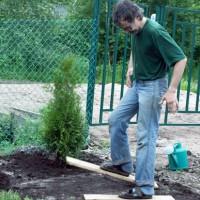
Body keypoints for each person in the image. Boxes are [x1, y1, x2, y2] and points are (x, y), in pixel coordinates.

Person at [100, 0, 187, 199]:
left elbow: (181, 59)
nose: (127, 30)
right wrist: (131, 67)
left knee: (145, 137)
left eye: (128, 26)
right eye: (124, 28)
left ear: (137, 17)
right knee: (116, 119)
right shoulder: (136, 31)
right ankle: (122, 164)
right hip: (139, 83)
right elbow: (135, 48)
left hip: (154, 86)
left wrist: (172, 90)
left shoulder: (155, 31)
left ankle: (145, 187)